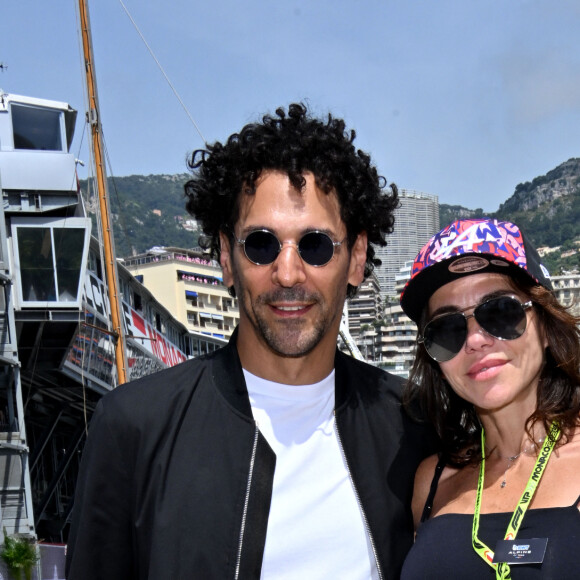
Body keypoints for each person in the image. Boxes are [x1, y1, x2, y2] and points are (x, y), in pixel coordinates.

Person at [66, 103, 436, 579]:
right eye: (261, 244)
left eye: (315, 245)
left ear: (357, 257)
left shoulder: (413, 426)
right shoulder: (134, 428)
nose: (287, 273)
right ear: (226, 256)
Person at [398, 218, 580, 579]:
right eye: (447, 329)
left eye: (499, 312)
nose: (475, 340)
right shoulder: (431, 481)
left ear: (545, 326)